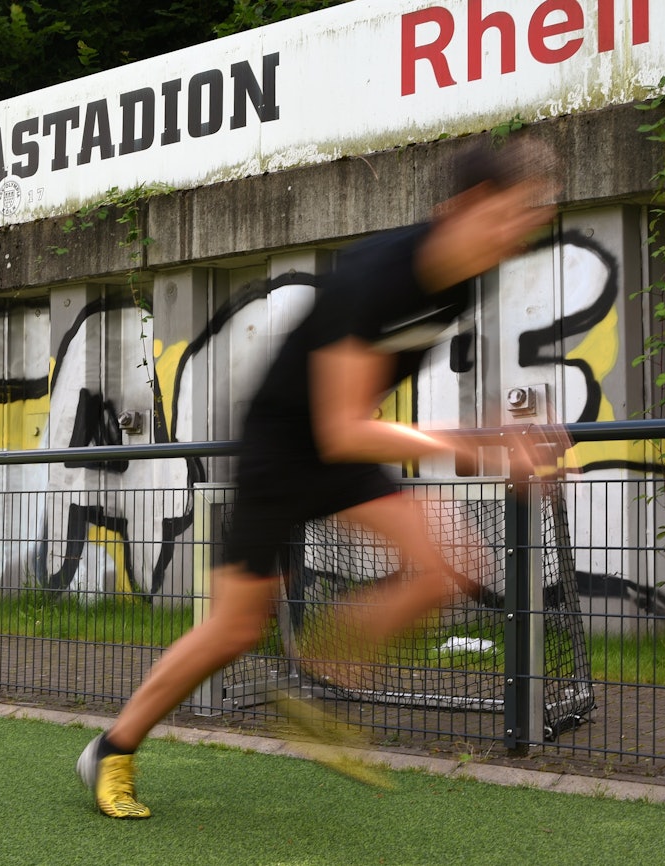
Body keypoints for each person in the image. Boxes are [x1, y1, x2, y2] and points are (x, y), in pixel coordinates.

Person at [77, 136, 562, 819]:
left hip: (340, 451)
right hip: (280, 450)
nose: (522, 231)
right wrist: (482, 449)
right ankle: (112, 748)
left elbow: (356, 416)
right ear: (465, 205)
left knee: (447, 565)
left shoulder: (461, 283)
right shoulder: (377, 275)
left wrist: (487, 434)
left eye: (533, 215)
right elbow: (341, 425)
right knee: (232, 630)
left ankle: (317, 675)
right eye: (515, 212)